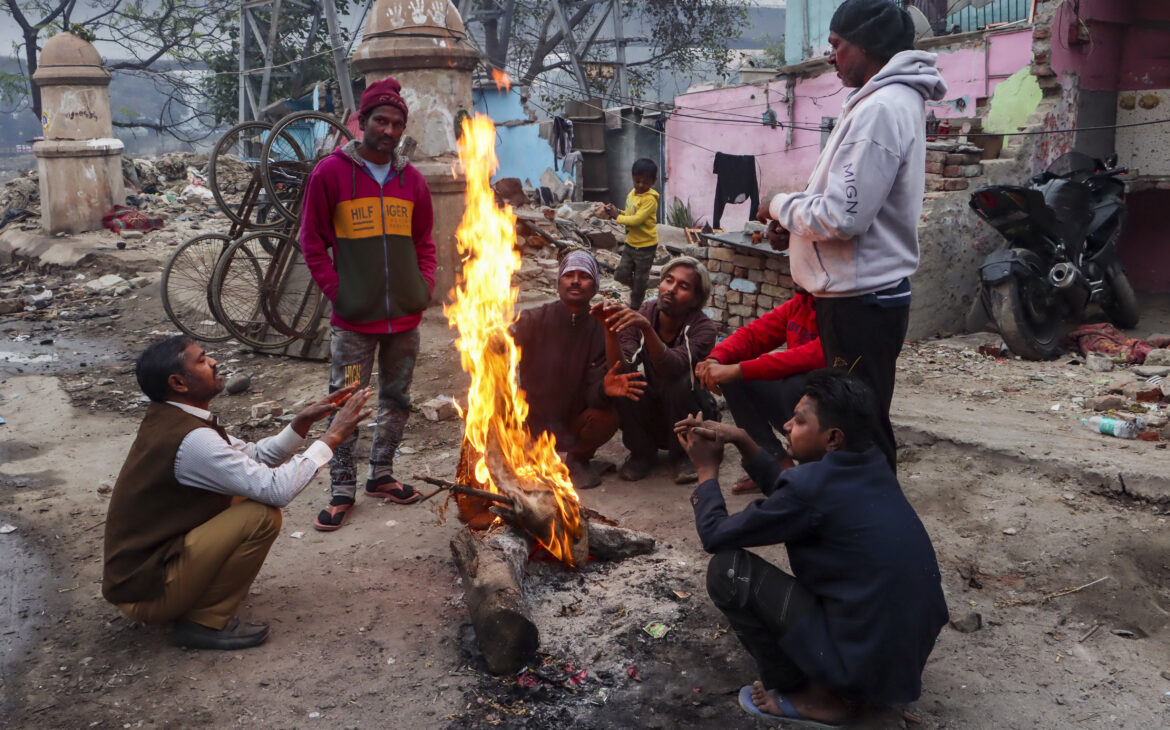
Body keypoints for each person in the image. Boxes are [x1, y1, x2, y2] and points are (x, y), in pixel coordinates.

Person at [675, 369, 947, 725]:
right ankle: (849, 681)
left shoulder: (812, 488)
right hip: (899, 659)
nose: (787, 425)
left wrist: (707, 470)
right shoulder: (870, 465)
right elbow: (793, 496)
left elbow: (715, 535)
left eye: (799, 421)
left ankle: (815, 695)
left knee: (727, 571)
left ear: (832, 438)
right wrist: (743, 439)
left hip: (860, 665)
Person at [757, 0, 947, 472]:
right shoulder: (881, 102)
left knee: (861, 427)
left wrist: (779, 203)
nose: (831, 55)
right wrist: (799, 233)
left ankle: (875, 525)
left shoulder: (882, 109)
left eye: (838, 45)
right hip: (857, 300)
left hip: (862, 306)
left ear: (868, 45)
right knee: (852, 419)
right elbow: (851, 208)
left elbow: (843, 217)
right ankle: (856, 514)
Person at [102, 336, 373, 650]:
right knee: (259, 515)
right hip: (146, 595)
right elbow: (277, 489)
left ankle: (197, 599)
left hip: (146, 577)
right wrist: (332, 437)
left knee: (244, 496)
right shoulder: (192, 440)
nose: (214, 362)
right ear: (178, 382)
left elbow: (254, 456)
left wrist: (301, 424)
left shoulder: (176, 419)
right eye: (202, 360)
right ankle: (203, 621)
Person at [300, 76, 437, 530]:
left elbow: (425, 243)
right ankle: (342, 488)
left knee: (396, 397)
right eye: (381, 120)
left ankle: (382, 475)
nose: (390, 131)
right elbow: (312, 243)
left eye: (397, 123)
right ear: (362, 121)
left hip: (405, 320)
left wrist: (423, 285)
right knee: (347, 400)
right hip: (354, 323)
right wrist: (342, 294)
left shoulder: (411, 180)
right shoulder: (330, 174)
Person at [512, 249, 646, 489]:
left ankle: (577, 460)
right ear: (558, 283)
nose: (575, 280)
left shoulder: (601, 328)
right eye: (569, 275)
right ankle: (531, 454)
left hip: (574, 423)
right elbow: (502, 342)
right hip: (532, 422)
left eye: (584, 276)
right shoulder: (534, 319)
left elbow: (597, 391)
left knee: (607, 416)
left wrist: (605, 389)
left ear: (595, 287)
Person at [593, 256, 718, 484]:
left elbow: (673, 366)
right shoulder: (644, 312)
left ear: (696, 299)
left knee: (678, 383)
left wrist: (647, 330)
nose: (671, 289)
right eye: (668, 280)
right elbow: (622, 367)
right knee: (627, 382)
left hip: (688, 409)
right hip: (654, 410)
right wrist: (610, 330)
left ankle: (684, 454)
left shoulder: (704, 329)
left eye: (683, 286)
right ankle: (642, 453)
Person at [695, 287, 824, 493]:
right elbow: (754, 334)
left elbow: (811, 356)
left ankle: (816, 476)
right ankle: (775, 465)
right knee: (733, 377)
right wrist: (716, 359)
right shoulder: (802, 302)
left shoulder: (845, 310)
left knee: (795, 384)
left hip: (830, 416)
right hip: (798, 406)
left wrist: (739, 369)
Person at [606, 158, 660, 310]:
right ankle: (632, 291)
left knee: (641, 279)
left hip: (646, 247)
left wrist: (617, 217)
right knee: (621, 274)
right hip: (631, 243)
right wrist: (617, 212)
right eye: (637, 181)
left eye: (645, 182)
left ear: (653, 182)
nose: (641, 185)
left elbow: (637, 220)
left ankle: (635, 307)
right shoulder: (632, 194)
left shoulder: (650, 200)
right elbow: (631, 214)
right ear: (633, 178)